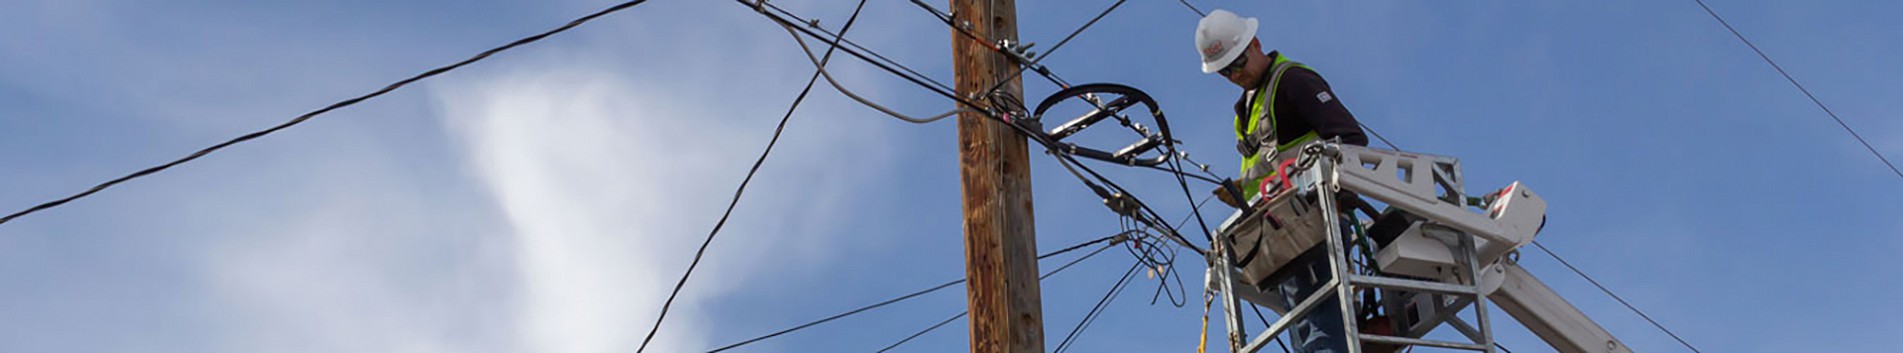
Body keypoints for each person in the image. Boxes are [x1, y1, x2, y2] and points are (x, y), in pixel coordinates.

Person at [1196, 9, 1370, 353]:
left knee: (1319, 330)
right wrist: (1241, 190)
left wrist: (1324, 190)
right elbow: (1267, 166)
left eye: (1237, 63)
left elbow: (1349, 140)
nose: (1234, 75)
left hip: (1315, 221)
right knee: (1305, 330)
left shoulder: (1292, 80)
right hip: (1282, 228)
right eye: (1224, 71)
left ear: (1256, 44)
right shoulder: (1248, 107)